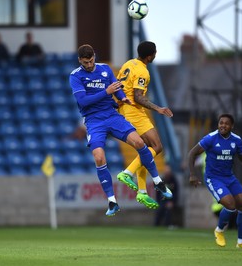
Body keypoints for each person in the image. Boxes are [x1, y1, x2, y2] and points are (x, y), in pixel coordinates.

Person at [69, 44, 172, 216]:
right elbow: (83, 102)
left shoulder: (105, 69)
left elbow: (117, 90)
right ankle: (112, 201)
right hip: (94, 121)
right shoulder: (75, 76)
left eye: (91, 60)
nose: (89, 64)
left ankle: (157, 181)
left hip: (112, 115)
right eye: (85, 62)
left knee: (140, 143)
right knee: (99, 157)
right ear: (80, 60)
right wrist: (106, 92)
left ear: (94, 56)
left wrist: (124, 98)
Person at [115, 41, 173, 209]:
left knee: (146, 150)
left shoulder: (129, 64)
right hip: (134, 111)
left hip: (124, 109)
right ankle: (127, 173)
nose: (155, 55)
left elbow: (119, 86)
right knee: (157, 146)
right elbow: (138, 96)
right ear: (150, 56)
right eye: (155, 52)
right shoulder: (143, 71)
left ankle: (142, 192)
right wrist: (158, 108)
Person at [188, 113, 242, 249]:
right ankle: (219, 231)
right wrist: (192, 174)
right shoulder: (211, 138)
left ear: (232, 126)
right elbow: (192, 153)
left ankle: (241, 242)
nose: (223, 125)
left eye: (226, 123)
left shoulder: (237, 140)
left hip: (229, 177)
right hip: (213, 178)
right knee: (231, 205)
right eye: (221, 123)